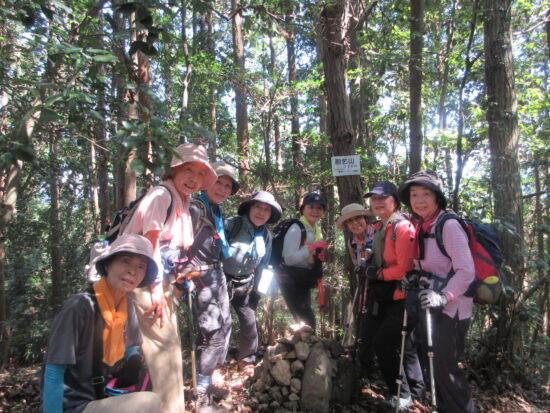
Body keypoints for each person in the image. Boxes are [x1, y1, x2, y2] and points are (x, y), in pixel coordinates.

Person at [123, 143, 217, 413]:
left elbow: (171, 250)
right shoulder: (161, 196)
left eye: (200, 174)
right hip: (143, 281)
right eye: (188, 170)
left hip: (158, 282)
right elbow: (150, 243)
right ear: (173, 170)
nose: (194, 178)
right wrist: (155, 290)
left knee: (168, 349)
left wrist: (175, 279)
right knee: (165, 351)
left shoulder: (182, 201)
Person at [41, 234, 161, 413]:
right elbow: (54, 370)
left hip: (103, 395)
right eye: (126, 261)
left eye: (141, 266)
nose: (132, 271)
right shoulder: (79, 307)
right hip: (74, 405)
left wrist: (133, 358)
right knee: (149, 402)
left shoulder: (127, 306)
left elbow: (129, 345)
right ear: (107, 264)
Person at [398, 170, 476, 413]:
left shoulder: (448, 225)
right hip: (430, 306)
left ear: (437, 197)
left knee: (446, 371)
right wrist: (412, 276)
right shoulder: (423, 225)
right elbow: (430, 265)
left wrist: (443, 296)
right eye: (414, 195)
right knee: (435, 368)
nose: (420, 200)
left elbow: (466, 271)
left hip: (451, 309)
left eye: (426, 194)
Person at [363, 181, 425, 410]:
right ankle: (417, 392)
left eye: (383, 198)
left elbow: (405, 269)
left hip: (405, 296)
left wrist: (378, 273)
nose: (377, 202)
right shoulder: (381, 226)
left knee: (383, 343)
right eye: (374, 198)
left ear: (395, 201)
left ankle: (401, 394)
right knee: (405, 344)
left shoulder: (402, 227)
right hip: (393, 295)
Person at [185, 162, 239, 412]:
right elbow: (177, 242)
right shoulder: (195, 208)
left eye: (228, 185)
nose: (223, 188)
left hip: (217, 274)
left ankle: (203, 382)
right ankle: (201, 395)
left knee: (224, 329)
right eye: (219, 182)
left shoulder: (216, 211)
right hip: (199, 275)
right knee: (214, 336)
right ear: (207, 182)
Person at [222, 191, 282, 368]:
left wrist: (258, 292)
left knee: (249, 322)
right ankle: (215, 363)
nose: (261, 212)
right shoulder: (233, 224)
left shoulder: (266, 236)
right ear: (249, 208)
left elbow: (264, 265)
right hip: (222, 280)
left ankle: (247, 361)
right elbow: (213, 250)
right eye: (257, 207)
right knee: (222, 322)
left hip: (245, 284)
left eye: (266, 209)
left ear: (270, 215)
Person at [278, 192, 328, 331]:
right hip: (289, 278)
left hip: (302, 278)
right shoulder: (296, 228)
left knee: (305, 320)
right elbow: (288, 259)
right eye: (311, 207)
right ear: (303, 209)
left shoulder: (315, 229)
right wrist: (312, 248)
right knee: (307, 319)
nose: (315, 211)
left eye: (319, 208)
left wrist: (318, 255)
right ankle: (308, 343)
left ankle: (304, 344)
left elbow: (308, 254)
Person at [336, 203, 375, 371]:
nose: (355, 223)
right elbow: (355, 263)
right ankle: (365, 364)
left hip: (384, 283)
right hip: (365, 285)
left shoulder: (379, 233)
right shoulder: (351, 242)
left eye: (358, 218)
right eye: (350, 221)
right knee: (365, 322)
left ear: (365, 218)